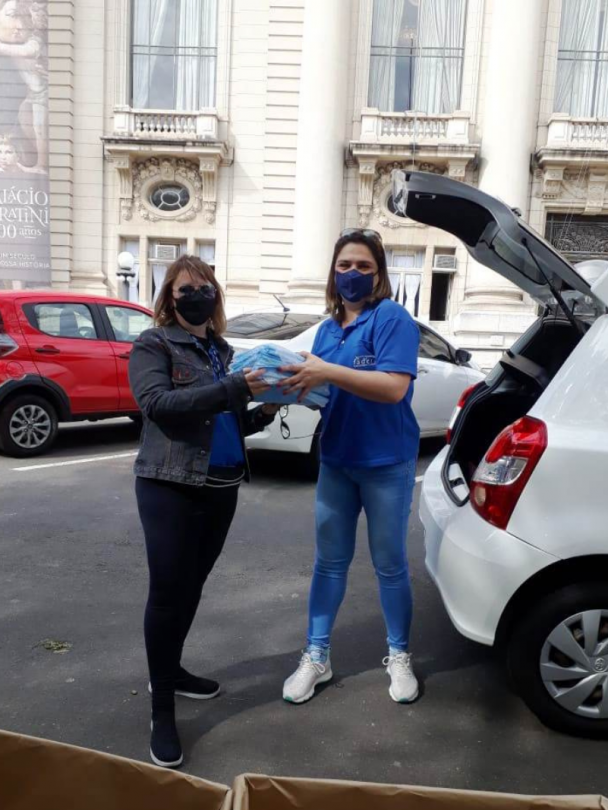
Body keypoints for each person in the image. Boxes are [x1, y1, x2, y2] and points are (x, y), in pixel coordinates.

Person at [129, 255, 278, 769]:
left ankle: (171, 669)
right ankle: (161, 707)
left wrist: (271, 406)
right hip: (170, 485)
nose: (198, 295)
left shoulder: (223, 350)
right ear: (170, 296)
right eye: (187, 288)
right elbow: (158, 405)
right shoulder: (155, 343)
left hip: (222, 487)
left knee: (192, 587)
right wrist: (235, 389)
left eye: (206, 288)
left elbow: (230, 422)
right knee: (168, 593)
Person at [280, 229, 420, 705]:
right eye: (344, 266)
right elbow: (327, 394)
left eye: (363, 266)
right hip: (338, 461)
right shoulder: (327, 328)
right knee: (329, 564)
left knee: (390, 565)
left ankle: (399, 656)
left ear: (378, 273)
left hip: (386, 463)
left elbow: (393, 388)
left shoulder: (392, 318)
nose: (353, 274)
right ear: (332, 272)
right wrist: (291, 385)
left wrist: (327, 371)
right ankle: (317, 657)